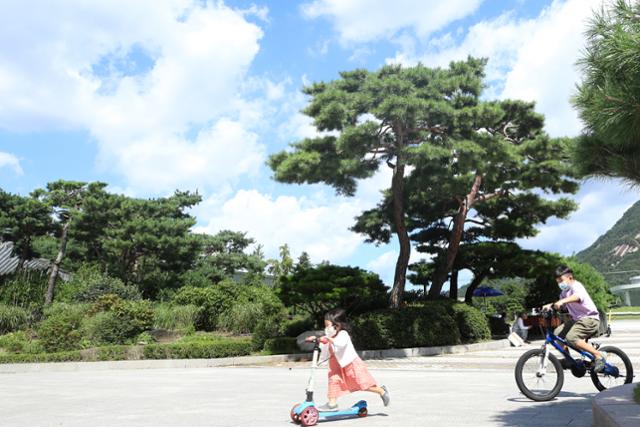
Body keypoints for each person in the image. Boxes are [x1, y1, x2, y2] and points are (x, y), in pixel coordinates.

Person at [305, 308, 390, 411]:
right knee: (333, 381)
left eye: (328, 325)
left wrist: (328, 339)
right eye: (325, 326)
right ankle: (332, 404)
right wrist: (316, 339)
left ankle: (381, 391)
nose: (326, 328)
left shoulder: (343, 334)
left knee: (361, 383)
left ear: (337, 325)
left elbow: (340, 344)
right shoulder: (329, 336)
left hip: (351, 364)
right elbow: (325, 343)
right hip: (336, 366)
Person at [542, 265, 606, 372]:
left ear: (570, 277)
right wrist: (550, 305)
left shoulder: (577, 286)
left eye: (561, 280)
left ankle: (599, 355)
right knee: (557, 333)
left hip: (590, 319)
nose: (559, 284)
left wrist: (562, 301)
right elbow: (560, 305)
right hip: (577, 320)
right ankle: (569, 359)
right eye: (557, 282)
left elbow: (577, 297)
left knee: (571, 338)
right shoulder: (564, 293)